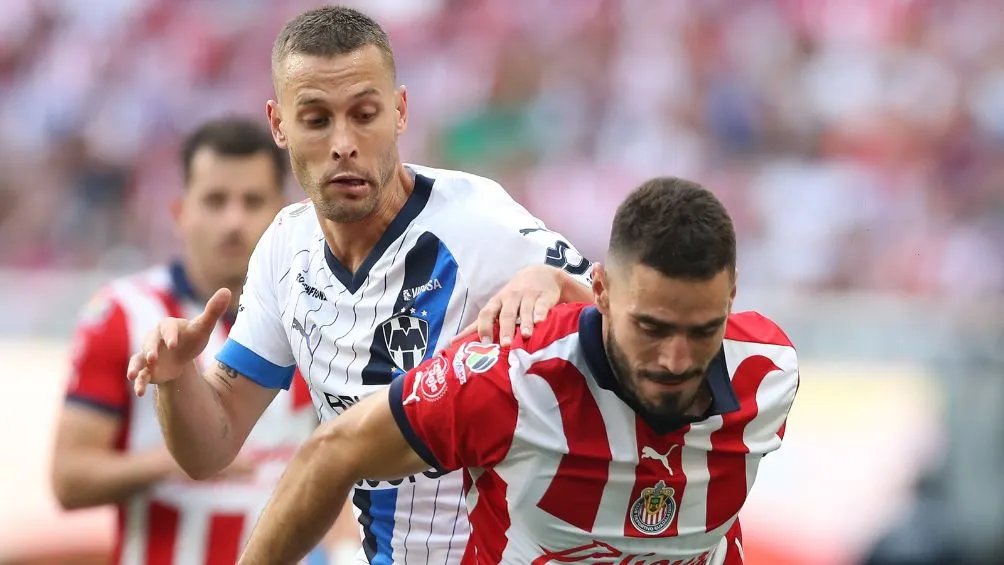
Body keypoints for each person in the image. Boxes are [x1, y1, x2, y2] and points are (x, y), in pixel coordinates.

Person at [125, 6, 594, 565]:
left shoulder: (480, 225)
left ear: (400, 111)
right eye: (316, 120)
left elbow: (629, 319)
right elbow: (212, 447)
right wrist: (177, 379)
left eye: (364, 114)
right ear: (279, 124)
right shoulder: (284, 247)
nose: (343, 143)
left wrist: (555, 281)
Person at [236, 177, 802, 565]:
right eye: (650, 328)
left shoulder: (770, 372)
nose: (676, 360)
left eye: (702, 330)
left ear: (731, 298)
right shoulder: (510, 377)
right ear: (602, 292)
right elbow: (331, 453)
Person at [50, 117, 336, 564]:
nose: (234, 221)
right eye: (215, 201)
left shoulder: (320, 314)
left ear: (282, 214)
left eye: (252, 201)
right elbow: (69, 479)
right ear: (180, 212)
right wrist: (188, 454)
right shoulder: (122, 314)